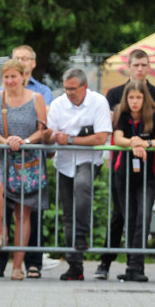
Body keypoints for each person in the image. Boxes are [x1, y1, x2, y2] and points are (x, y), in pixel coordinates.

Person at [98, 80, 155, 281]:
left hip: (147, 176)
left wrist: (146, 143)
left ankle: (137, 267)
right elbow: (119, 138)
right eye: (131, 97)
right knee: (129, 218)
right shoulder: (122, 113)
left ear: (144, 98)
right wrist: (134, 142)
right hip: (123, 175)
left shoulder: (154, 115)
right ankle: (132, 266)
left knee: (144, 217)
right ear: (126, 98)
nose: (135, 101)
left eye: (139, 97)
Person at [43, 68, 112, 281]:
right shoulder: (57, 104)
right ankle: (75, 264)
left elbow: (101, 138)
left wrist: (71, 140)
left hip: (88, 160)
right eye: (66, 89)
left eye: (73, 89)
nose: (69, 93)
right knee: (67, 212)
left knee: (82, 187)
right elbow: (51, 139)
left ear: (85, 87)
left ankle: (81, 237)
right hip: (64, 162)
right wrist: (47, 137)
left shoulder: (99, 102)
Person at [0, 60, 48, 280]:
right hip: (1, 155)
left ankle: (18, 266)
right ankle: (2, 233)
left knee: (23, 212)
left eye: (14, 76)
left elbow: (43, 129)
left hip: (27, 158)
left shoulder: (36, 98)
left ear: (23, 76)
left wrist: (25, 140)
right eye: (6, 77)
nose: (10, 81)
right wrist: (5, 141)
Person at [6, 45, 53, 276]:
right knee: (5, 210)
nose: (21, 61)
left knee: (31, 210)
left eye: (25, 58)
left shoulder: (42, 91)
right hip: (6, 156)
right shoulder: (1, 88)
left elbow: (45, 121)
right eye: (17, 58)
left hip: (32, 156)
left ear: (33, 64)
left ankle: (33, 262)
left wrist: (25, 140)